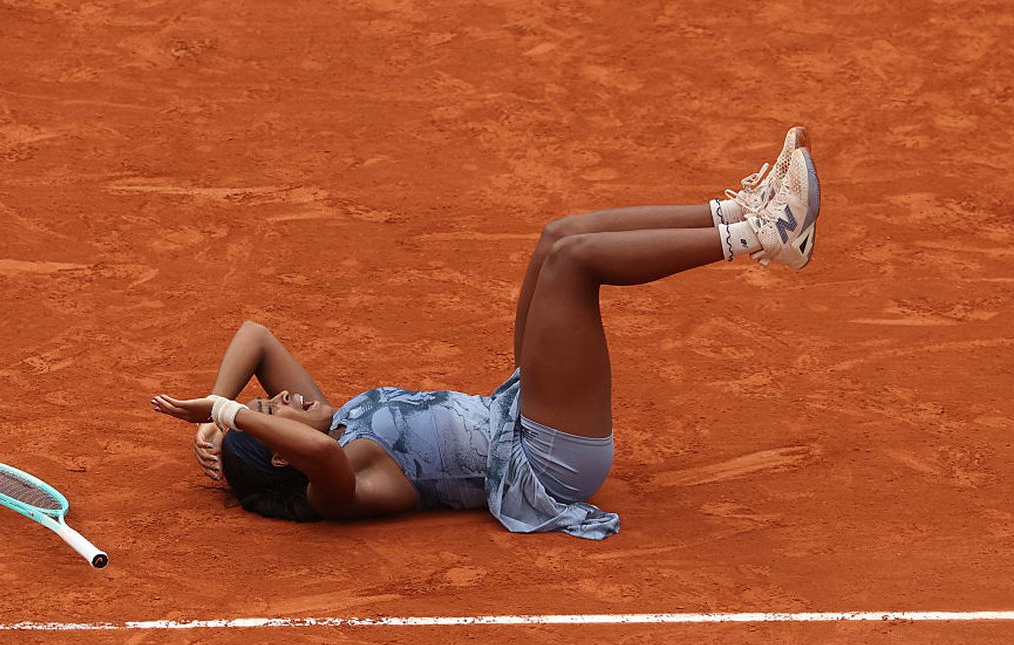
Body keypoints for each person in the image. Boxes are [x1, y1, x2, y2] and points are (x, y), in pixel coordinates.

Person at [151, 127, 820, 540]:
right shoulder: (338, 484)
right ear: (282, 454)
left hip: (518, 413)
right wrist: (230, 412)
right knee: (573, 264)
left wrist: (213, 412)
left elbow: (256, 335)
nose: (286, 397)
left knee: (557, 236)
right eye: (275, 410)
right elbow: (312, 454)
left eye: (272, 400)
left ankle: (741, 211)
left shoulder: (333, 424)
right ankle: (764, 236)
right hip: (548, 460)